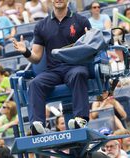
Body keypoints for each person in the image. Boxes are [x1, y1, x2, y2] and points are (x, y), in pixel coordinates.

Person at [13, 0, 91, 135]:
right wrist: (26, 51)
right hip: (53, 71)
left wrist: (89, 39)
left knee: (79, 73)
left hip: (73, 67)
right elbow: (36, 57)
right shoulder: (41, 26)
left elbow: (90, 48)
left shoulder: (81, 21)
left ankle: (80, 119)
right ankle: (37, 126)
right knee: (35, 83)